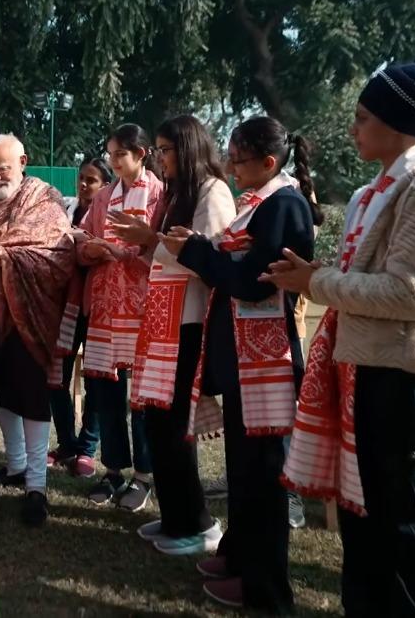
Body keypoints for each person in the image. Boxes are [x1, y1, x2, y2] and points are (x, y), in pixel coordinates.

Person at [266, 62, 415, 618]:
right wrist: (319, 275)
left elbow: (411, 295)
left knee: (406, 526)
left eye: (363, 118)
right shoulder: (376, 191)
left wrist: (317, 282)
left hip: (409, 381)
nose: (353, 129)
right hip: (368, 373)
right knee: (364, 520)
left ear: (397, 120)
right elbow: (369, 278)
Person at [161, 116, 320, 612]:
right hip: (243, 359)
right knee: (243, 471)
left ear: (268, 163)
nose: (230, 165)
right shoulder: (260, 203)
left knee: (263, 478)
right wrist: (202, 248)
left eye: (238, 158)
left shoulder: (284, 206)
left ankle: (265, 586)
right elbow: (232, 261)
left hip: (266, 363)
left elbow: (254, 281)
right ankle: (239, 555)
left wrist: (196, 253)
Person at [110, 115, 234, 555]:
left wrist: (152, 238)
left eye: (165, 149)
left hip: (190, 322)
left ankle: (198, 524)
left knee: (175, 423)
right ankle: (177, 514)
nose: (160, 158)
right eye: (159, 150)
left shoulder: (213, 192)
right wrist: (141, 244)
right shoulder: (178, 194)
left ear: (187, 149)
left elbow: (210, 257)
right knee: (158, 422)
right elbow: (165, 258)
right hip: (163, 322)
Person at [0, 134, 75, 526]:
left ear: (23, 161)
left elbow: (58, 256)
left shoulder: (45, 199)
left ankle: (37, 485)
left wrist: (2, 255)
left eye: (4, 167)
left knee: (31, 393)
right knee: (2, 386)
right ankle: (14, 466)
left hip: (34, 311)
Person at [74, 129, 163, 511]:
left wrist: (124, 253)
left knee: (141, 397)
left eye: (120, 155)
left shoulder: (159, 194)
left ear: (141, 154)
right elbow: (83, 241)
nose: (113, 162)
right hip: (106, 307)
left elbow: (162, 250)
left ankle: (143, 476)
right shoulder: (105, 196)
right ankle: (112, 470)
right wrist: (91, 249)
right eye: (110, 154)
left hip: (143, 306)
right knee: (105, 392)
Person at [48, 157, 111, 480]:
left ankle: (87, 449)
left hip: (100, 307)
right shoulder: (66, 211)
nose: (85, 185)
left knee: (96, 381)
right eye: (82, 178)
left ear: (105, 185)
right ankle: (67, 444)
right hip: (66, 306)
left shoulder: (111, 213)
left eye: (93, 180)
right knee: (56, 375)